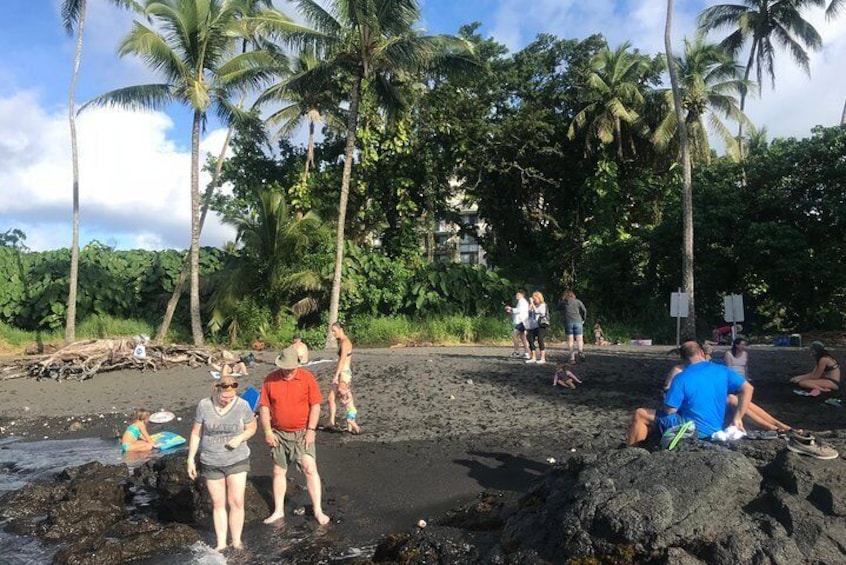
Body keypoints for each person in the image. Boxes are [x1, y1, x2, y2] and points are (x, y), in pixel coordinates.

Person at [626, 341, 753, 445]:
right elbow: (748, 388)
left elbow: (670, 411)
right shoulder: (723, 370)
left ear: (682, 359)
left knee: (640, 414)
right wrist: (737, 418)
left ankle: (632, 450)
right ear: (702, 353)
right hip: (716, 427)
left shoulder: (681, 378)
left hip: (691, 428)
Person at [259, 347, 330, 525]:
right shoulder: (270, 379)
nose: (289, 372)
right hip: (278, 433)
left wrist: (311, 430)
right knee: (278, 471)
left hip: (302, 432)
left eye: (292, 368)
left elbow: (315, 405)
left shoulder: (307, 378)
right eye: (286, 368)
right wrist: (267, 431)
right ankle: (278, 511)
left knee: (309, 467)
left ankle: (318, 510)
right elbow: (264, 407)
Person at [186, 375, 257, 551]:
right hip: (211, 460)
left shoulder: (242, 405)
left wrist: (240, 437)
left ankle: (237, 541)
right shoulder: (204, 405)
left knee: (236, 501)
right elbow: (196, 433)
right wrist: (190, 459)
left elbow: (252, 427)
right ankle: (221, 543)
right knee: (218, 503)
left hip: (237, 458)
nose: (227, 400)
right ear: (217, 390)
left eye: (231, 397)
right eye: (224, 397)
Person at [663, 344, 789, 433]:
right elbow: (667, 390)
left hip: (706, 409)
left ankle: (778, 425)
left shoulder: (696, 371)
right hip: (696, 411)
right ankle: (773, 427)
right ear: (701, 354)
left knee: (735, 399)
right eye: (707, 356)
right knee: (733, 399)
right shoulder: (679, 372)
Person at [328, 322, 353, 428]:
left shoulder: (345, 343)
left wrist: (336, 376)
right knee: (331, 398)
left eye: (334, 331)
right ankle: (331, 422)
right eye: (332, 331)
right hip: (341, 373)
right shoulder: (341, 341)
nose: (333, 334)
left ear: (340, 329)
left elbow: (342, 361)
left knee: (346, 398)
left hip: (344, 373)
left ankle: (351, 424)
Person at [558, 290, 587, 361]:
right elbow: (584, 310)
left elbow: (558, 308)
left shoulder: (564, 302)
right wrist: (583, 319)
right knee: (579, 339)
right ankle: (580, 351)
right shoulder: (578, 301)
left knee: (570, 340)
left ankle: (572, 357)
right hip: (578, 321)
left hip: (568, 322)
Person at [504, 290, 530, 359]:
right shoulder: (521, 302)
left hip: (522, 321)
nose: (516, 296)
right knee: (523, 337)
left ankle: (516, 351)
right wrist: (511, 311)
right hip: (522, 321)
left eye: (518, 294)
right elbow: (518, 311)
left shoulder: (522, 302)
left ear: (522, 295)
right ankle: (527, 353)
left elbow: (519, 310)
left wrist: (510, 308)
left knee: (514, 334)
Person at [526, 291, 549, 364]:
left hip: (541, 325)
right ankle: (533, 357)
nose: (534, 300)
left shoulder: (543, 305)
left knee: (540, 339)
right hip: (533, 325)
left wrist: (532, 304)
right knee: (530, 338)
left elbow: (538, 312)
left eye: (535, 298)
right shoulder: (533, 305)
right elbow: (529, 311)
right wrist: (531, 304)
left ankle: (542, 358)